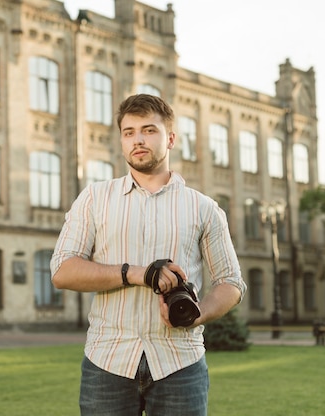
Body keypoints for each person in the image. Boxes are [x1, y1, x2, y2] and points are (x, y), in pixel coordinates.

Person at [50, 94, 246, 416]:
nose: (138, 140)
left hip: (180, 362)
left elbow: (231, 282)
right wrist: (136, 273)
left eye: (148, 130)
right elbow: (62, 270)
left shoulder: (204, 208)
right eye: (129, 132)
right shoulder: (95, 198)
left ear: (170, 138)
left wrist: (198, 314)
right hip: (107, 362)